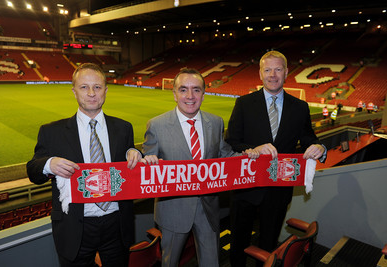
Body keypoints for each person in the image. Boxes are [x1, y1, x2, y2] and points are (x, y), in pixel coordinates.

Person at [27, 63, 142, 266]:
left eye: (97, 87)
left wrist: (135, 153)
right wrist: (49, 164)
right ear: (74, 91)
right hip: (75, 227)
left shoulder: (124, 128)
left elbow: (130, 157)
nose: (91, 93)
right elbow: (33, 171)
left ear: (106, 91)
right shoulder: (51, 131)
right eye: (84, 87)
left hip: (116, 224)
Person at [142, 68, 258, 267]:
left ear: (204, 94)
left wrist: (250, 156)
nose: (190, 96)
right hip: (173, 210)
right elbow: (147, 162)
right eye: (183, 89)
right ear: (174, 93)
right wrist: (145, 161)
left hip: (208, 208)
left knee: (211, 262)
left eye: (196, 90)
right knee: (169, 262)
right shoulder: (156, 125)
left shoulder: (216, 122)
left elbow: (226, 156)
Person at [225, 50, 327, 267]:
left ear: (286, 72)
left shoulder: (299, 107)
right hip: (246, 188)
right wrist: (251, 149)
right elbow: (231, 141)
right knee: (238, 243)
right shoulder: (243, 103)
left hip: (279, 189)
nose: (273, 74)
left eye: (278, 69)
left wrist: (318, 147)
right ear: (260, 73)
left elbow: (308, 137)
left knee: (269, 244)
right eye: (268, 69)